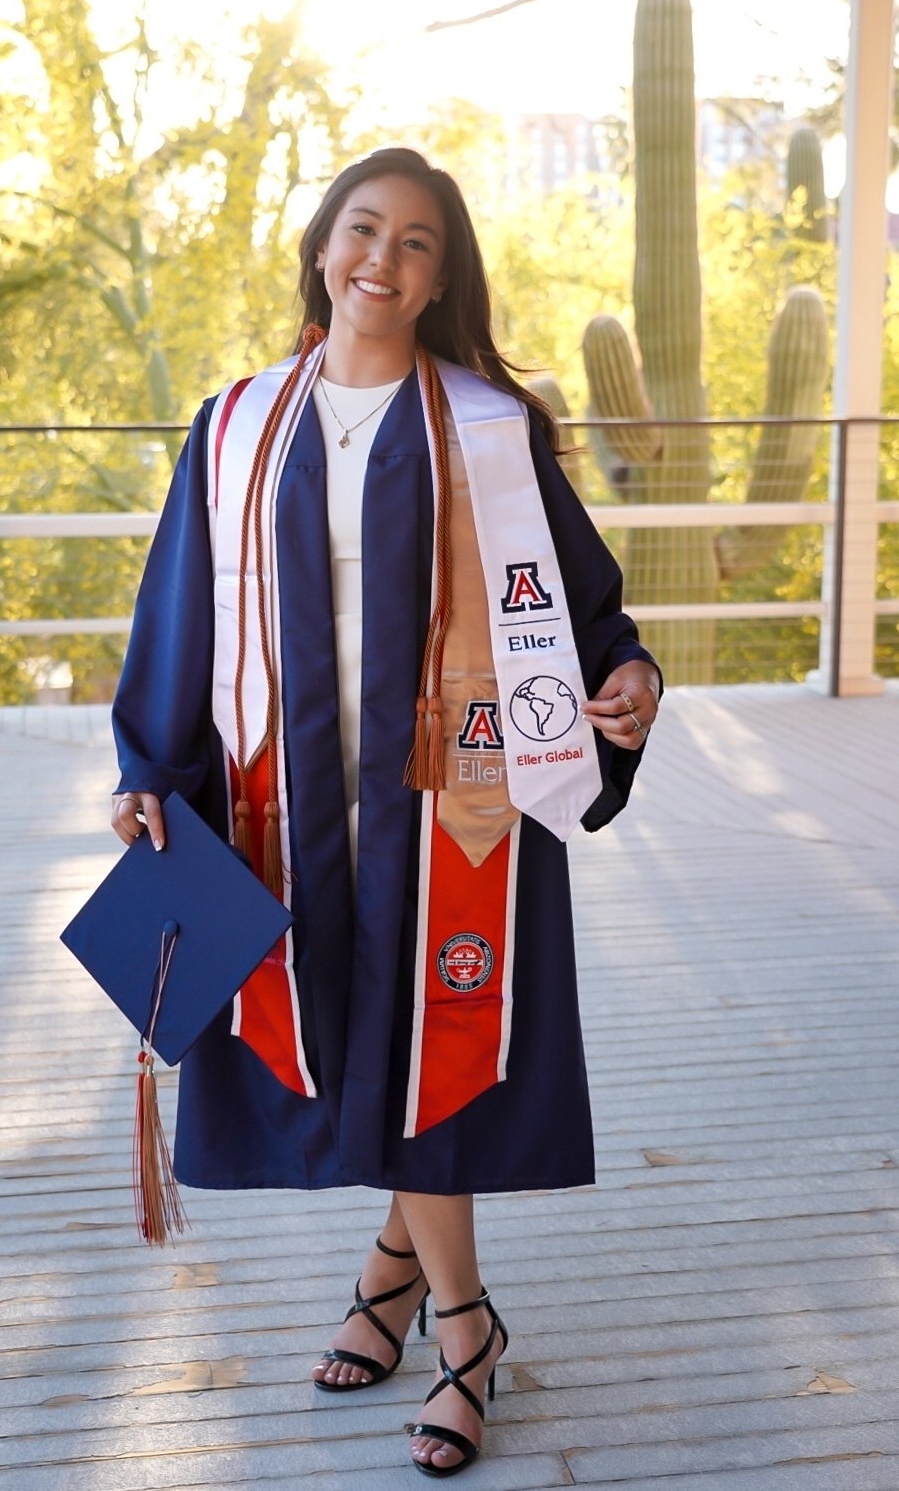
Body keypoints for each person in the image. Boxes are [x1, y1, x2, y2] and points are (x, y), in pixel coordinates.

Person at [110, 147, 660, 1478]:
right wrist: (146, 767)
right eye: (364, 229)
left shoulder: (489, 425)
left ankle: (458, 1325)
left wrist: (625, 678)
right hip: (276, 798)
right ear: (319, 247)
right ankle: (395, 1275)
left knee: (427, 1053)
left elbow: (579, 609)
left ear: (438, 277)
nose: (383, 257)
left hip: (449, 798)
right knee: (359, 1045)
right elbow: (178, 610)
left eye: (417, 242)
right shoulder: (235, 425)